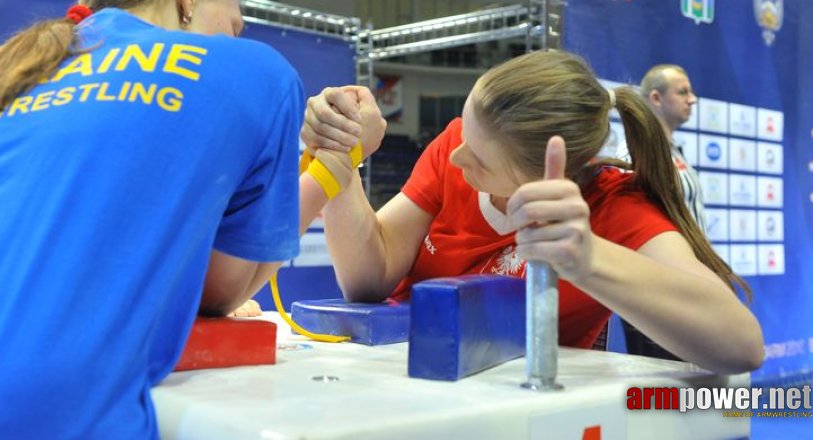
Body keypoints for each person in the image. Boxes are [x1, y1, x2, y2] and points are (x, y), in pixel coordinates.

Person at [0, 0, 348, 439]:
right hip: (49, 420)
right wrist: (334, 165)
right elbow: (220, 291)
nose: (236, 38)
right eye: (234, 24)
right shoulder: (249, 70)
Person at [302, 50, 764, 375]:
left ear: (549, 173)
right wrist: (341, 155)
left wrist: (588, 259)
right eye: (464, 135)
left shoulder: (613, 206)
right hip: (407, 387)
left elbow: (742, 345)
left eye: (480, 162)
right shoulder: (455, 147)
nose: (456, 158)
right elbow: (368, 279)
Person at [620, 64, 707, 231]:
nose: (692, 99)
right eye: (683, 92)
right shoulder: (633, 157)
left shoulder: (674, 150)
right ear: (656, 98)